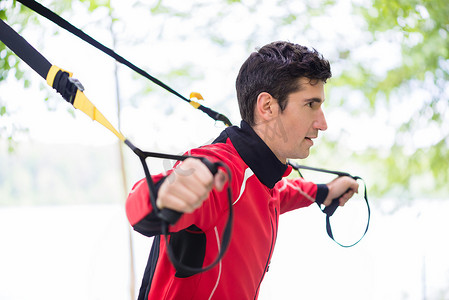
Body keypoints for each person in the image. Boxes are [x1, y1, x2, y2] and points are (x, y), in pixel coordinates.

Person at [126, 41, 359, 300]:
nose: (322, 123)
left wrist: (325, 191)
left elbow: (278, 193)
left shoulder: (261, 175)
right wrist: (162, 195)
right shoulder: (220, 169)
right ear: (267, 107)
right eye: (311, 105)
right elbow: (142, 204)